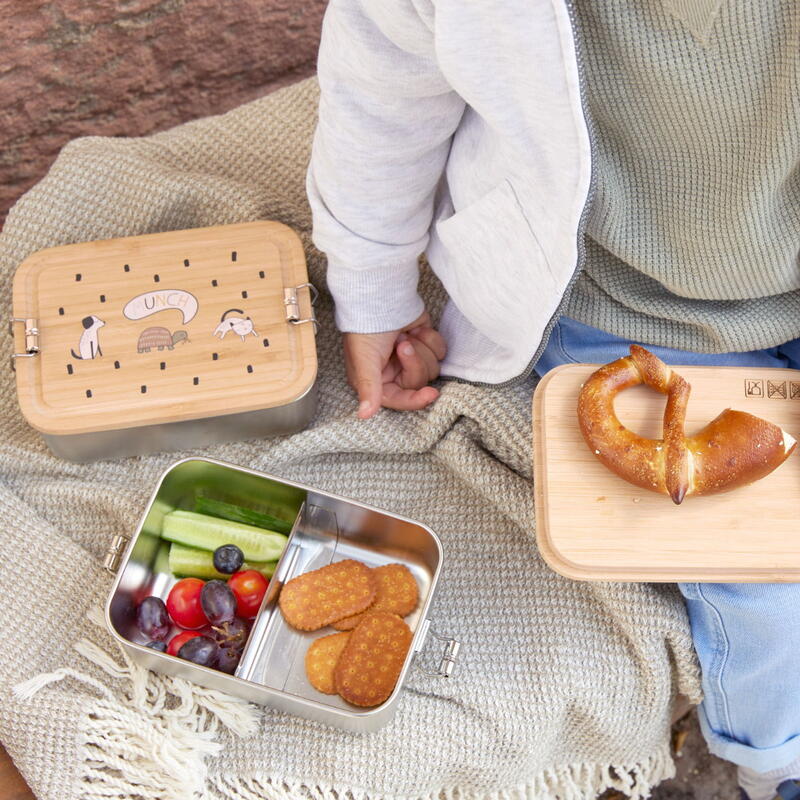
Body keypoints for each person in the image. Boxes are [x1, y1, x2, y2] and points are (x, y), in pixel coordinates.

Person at [306, 2, 800, 797]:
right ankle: (778, 759)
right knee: (775, 589)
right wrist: (369, 285)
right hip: (619, 306)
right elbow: (382, 86)